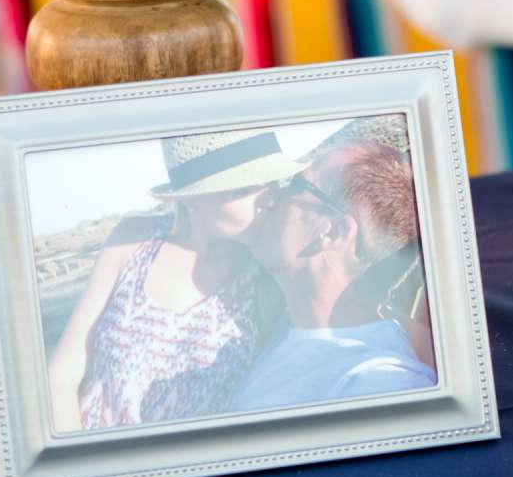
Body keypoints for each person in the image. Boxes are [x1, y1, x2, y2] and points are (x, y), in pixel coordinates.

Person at [44, 131, 291, 433]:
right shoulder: (133, 242)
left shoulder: (264, 283)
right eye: (249, 187)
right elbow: (62, 374)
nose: (270, 198)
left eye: (273, 183)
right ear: (192, 198)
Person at [229, 140, 436, 414]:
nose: (271, 196)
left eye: (294, 185)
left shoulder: (381, 385)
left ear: (333, 232)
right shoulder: (281, 323)